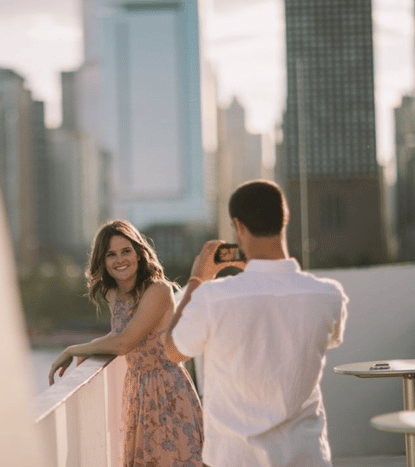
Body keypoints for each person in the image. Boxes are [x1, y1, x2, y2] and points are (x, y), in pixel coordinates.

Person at [162, 180, 348, 467]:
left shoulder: (212, 298)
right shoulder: (327, 295)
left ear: (238, 226)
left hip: (235, 459)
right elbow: (329, 338)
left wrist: (197, 279)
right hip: (306, 455)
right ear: (285, 219)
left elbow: (173, 350)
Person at [49, 219, 204, 467]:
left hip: (167, 390)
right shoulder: (114, 294)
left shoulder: (158, 290)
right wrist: (94, 347)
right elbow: (117, 335)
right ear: (103, 261)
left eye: (126, 251)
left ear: (139, 254)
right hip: (137, 390)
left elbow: (125, 343)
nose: (120, 260)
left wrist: (74, 349)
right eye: (111, 254)